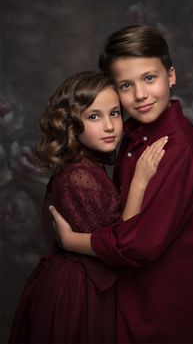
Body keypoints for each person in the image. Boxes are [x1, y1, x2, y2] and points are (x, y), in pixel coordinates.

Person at [50, 24, 193, 344]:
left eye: (149, 78)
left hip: (156, 308)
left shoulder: (177, 150)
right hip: (121, 297)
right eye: (126, 85)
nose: (139, 95)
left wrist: (73, 242)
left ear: (171, 76)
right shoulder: (132, 131)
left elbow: (138, 243)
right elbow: (120, 211)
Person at [8, 71, 167, 344]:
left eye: (115, 113)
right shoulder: (78, 176)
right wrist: (140, 179)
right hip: (75, 291)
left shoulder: (89, 166)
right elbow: (120, 242)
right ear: (72, 124)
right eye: (94, 116)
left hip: (85, 284)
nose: (109, 126)